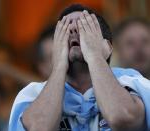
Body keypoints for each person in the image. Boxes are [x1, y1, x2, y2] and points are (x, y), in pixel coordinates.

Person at [9, 4, 150, 131]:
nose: (73, 31)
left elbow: (122, 118)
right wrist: (58, 65)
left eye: (85, 27)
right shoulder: (32, 93)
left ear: (106, 46)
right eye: (65, 29)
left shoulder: (134, 82)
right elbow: (39, 128)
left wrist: (95, 56)